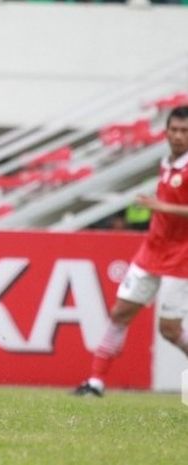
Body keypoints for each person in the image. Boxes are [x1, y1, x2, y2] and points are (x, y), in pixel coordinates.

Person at [75, 106, 188, 397]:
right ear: (165, 132)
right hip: (152, 250)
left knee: (170, 330)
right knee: (120, 312)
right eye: (173, 130)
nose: (178, 136)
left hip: (181, 256)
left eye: (184, 132)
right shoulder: (168, 162)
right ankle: (95, 382)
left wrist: (162, 208)